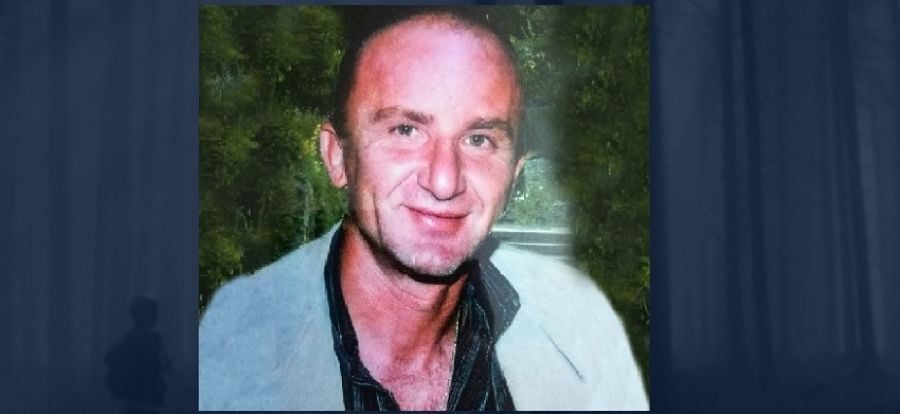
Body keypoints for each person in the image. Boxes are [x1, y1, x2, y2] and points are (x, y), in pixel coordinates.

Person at [199, 7, 648, 411]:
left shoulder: (581, 330)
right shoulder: (227, 356)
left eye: (479, 139)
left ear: (514, 177)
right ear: (337, 156)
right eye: (406, 130)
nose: (444, 180)